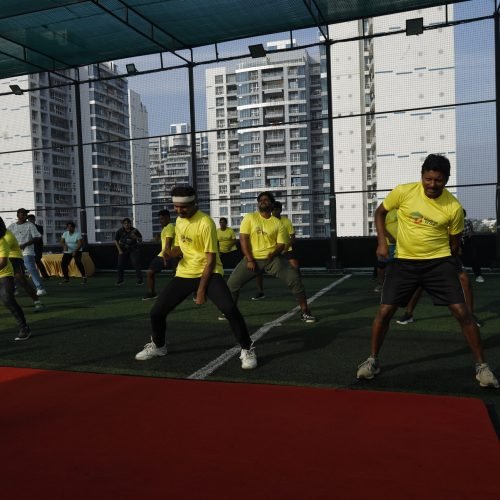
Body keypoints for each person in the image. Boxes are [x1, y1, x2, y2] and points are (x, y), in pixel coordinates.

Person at [356, 154, 498, 388]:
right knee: (385, 311)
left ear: (447, 179)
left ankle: (482, 367)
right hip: (404, 263)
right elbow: (380, 212)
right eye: (428, 179)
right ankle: (372, 361)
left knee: (463, 313)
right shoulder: (403, 192)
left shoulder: (453, 207)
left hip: (439, 264)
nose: (432, 184)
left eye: (438, 180)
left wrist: (451, 264)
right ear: (422, 176)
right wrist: (382, 242)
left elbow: (454, 244)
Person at [135, 186, 257, 370]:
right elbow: (181, 248)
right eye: (176, 207)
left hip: (210, 271)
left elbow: (210, 260)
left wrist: (200, 291)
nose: (178, 210)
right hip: (185, 272)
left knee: (229, 308)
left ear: (194, 204)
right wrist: (170, 253)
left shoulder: (205, 223)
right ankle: (159, 346)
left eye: (183, 207)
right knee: (156, 312)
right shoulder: (179, 222)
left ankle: (247, 349)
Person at [225, 191, 315, 323]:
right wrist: (249, 259)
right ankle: (230, 312)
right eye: (260, 200)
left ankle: (305, 312)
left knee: (295, 279)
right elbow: (243, 239)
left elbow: (281, 245)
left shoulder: (278, 223)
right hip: (252, 259)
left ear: (272, 204)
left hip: (273, 260)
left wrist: (273, 254)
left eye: (266, 200)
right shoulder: (250, 217)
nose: (262, 201)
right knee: (232, 284)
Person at [253, 200, 299, 300]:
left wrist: (286, 247)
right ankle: (260, 292)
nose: (274, 211)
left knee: (295, 266)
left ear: (280, 210)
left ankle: (297, 289)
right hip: (271, 251)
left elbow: (292, 237)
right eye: (273, 209)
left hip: (286, 250)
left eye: (276, 210)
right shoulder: (266, 220)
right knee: (258, 270)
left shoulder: (286, 221)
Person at [1, 217, 44, 312]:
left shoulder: (8, 236)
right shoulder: (9, 229)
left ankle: (37, 302)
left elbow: (3, 256)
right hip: (5, 258)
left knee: (22, 281)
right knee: (8, 285)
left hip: (14, 258)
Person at [0, 217, 31, 340]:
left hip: (4, 274)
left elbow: (2, 262)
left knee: (7, 299)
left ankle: (24, 327)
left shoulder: (2, 240)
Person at [8, 208, 47, 296]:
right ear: (17, 215)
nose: (24, 216)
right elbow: (6, 236)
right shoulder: (12, 226)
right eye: (22, 214)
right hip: (14, 252)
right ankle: (14, 289)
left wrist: (25, 244)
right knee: (14, 271)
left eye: (25, 215)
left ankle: (40, 288)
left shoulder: (30, 225)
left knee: (31, 269)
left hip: (27, 251)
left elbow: (37, 237)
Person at [142, 210, 176, 301]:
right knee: (150, 272)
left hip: (169, 255)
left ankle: (195, 293)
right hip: (163, 254)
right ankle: (152, 293)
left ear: (168, 218)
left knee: (180, 276)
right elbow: (165, 242)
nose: (161, 221)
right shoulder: (165, 228)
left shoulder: (170, 227)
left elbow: (168, 245)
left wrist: (165, 258)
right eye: (160, 219)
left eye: (162, 219)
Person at [374, 208, 397, 293]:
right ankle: (381, 284)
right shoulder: (387, 211)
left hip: (402, 245)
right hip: (388, 244)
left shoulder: (405, 210)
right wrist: (390, 237)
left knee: (399, 266)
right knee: (382, 265)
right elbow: (380, 226)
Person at [115, 218, 143, 286]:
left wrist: (135, 237)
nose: (126, 224)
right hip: (123, 249)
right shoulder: (120, 231)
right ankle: (120, 281)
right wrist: (119, 250)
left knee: (136, 263)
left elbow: (140, 240)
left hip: (133, 249)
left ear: (130, 224)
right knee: (120, 264)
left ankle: (140, 280)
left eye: (128, 223)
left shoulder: (135, 230)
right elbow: (116, 240)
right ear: (123, 224)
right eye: (125, 223)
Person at [461, 209, 484, 283]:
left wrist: (469, 236)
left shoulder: (468, 222)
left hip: (468, 240)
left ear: (464, 215)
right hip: (457, 240)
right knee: (454, 258)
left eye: (462, 214)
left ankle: (478, 275)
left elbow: (471, 231)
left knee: (474, 257)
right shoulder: (453, 223)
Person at [27, 214, 50, 280]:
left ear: (34, 220)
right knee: (30, 262)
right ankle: (33, 276)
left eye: (31, 219)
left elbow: (39, 237)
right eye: (29, 220)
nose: (30, 221)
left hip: (37, 247)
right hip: (29, 247)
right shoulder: (27, 228)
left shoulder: (39, 227)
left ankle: (45, 276)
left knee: (38, 261)